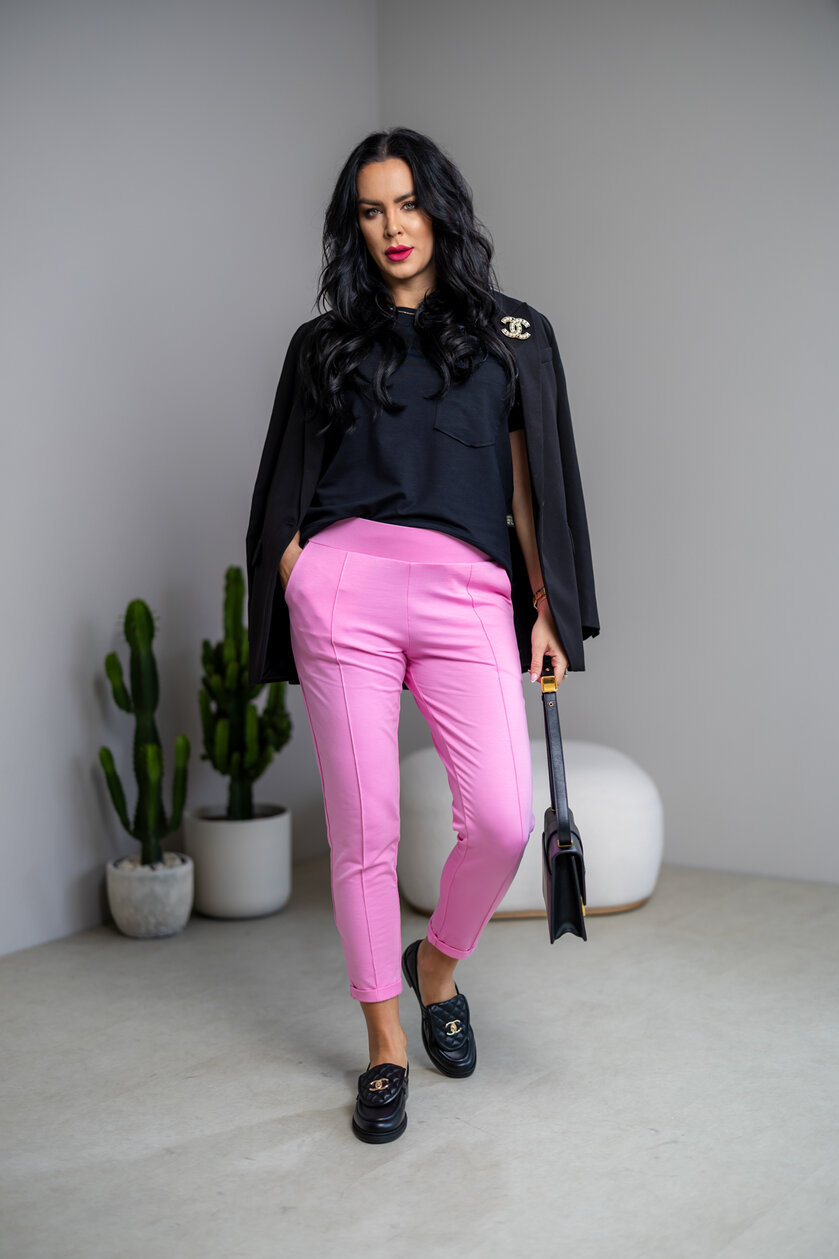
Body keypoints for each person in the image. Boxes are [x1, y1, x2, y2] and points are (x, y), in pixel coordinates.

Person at [245, 127, 599, 1144]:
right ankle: (384, 1043)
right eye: (370, 210)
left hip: (466, 594)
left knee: (499, 818)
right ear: (352, 225)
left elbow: (531, 490)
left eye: (407, 204)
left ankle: (435, 965)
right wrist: (300, 574)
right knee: (364, 834)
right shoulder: (322, 343)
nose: (392, 228)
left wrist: (545, 605)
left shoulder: (513, 334)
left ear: (439, 208)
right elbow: (282, 482)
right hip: (342, 592)